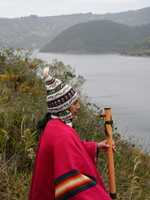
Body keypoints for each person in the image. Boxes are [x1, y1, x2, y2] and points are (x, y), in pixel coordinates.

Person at [29, 67, 117, 200]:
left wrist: (95, 147)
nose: (78, 107)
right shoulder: (61, 133)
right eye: (74, 103)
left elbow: (70, 153)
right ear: (63, 107)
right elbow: (71, 183)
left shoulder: (53, 126)